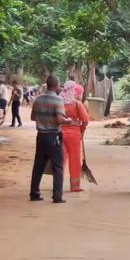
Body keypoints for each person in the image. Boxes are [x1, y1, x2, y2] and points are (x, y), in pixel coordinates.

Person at [30, 75, 72, 203]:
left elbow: (33, 117)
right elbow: (60, 119)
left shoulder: (38, 99)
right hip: (53, 136)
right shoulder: (58, 100)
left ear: (47, 84)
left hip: (41, 136)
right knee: (57, 167)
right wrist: (68, 121)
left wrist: (44, 120)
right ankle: (57, 196)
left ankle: (34, 193)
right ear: (57, 85)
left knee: (38, 165)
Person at [60, 80, 89, 192]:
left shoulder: (59, 103)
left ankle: (58, 185)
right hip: (74, 135)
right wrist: (82, 131)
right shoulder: (77, 104)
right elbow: (85, 121)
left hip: (60, 134)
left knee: (60, 160)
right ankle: (75, 186)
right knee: (75, 159)